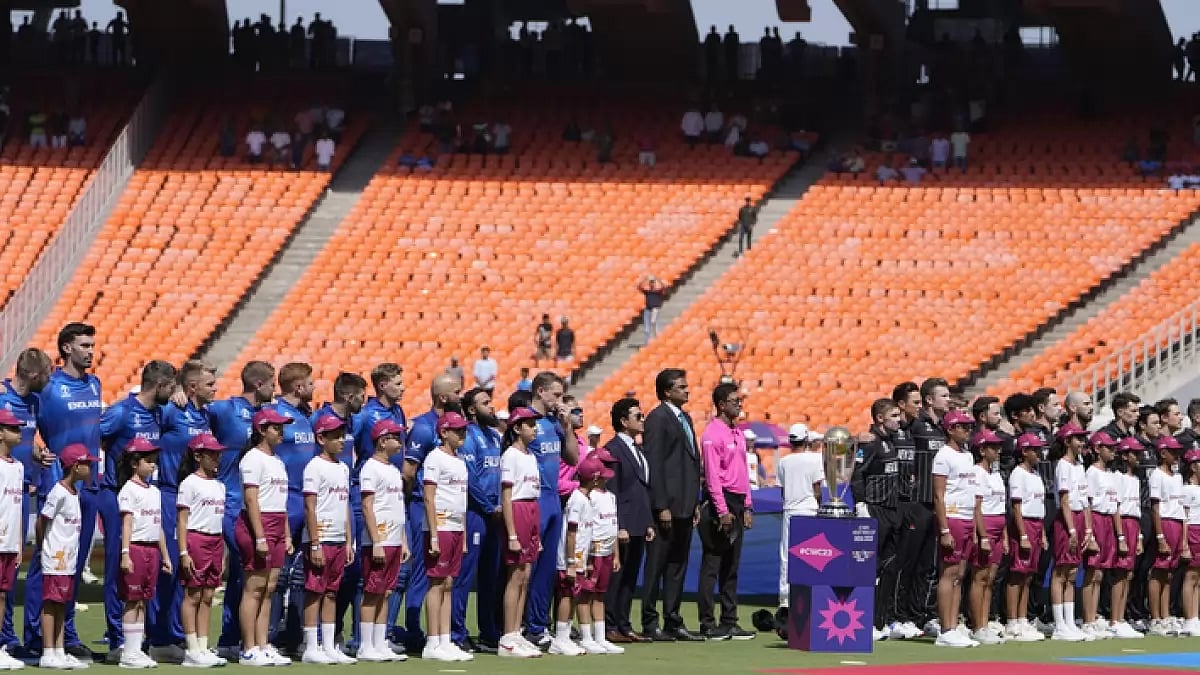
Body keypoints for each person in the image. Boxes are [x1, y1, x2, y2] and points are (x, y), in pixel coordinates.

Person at [31, 323, 102, 661]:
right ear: (66, 349)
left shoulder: (95, 383)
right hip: (59, 486)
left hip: (89, 486)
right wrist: (34, 448)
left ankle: (66, 637)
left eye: (92, 344)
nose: (90, 350)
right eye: (84, 345)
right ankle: (35, 635)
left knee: (71, 565)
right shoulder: (48, 387)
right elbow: (23, 421)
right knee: (44, 564)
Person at [103, 360, 177, 664]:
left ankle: (138, 640)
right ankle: (117, 640)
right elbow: (97, 437)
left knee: (145, 569)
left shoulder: (159, 412)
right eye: (171, 387)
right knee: (117, 569)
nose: (174, 393)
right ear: (158, 386)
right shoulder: (121, 411)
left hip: (148, 496)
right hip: (118, 496)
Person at [209, 361, 275, 660]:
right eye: (271, 383)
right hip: (230, 501)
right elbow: (196, 414)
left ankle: (240, 640)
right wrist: (180, 396)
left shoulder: (266, 416)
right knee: (245, 573)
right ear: (259, 384)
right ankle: (230, 639)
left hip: (254, 502)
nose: (275, 389)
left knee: (249, 574)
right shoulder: (225, 409)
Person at [152, 360, 211, 662]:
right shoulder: (172, 410)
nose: (215, 388)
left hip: (195, 497)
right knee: (170, 565)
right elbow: (144, 407)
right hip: (168, 493)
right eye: (210, 384)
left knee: (189, 569)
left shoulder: (204, 415)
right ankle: (159, 636)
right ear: (192, 387)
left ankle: (177, 635)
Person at [399, 374, 461, 651]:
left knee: (443, 575)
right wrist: (414, 500)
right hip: (422, 505)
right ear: (443, 397)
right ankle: (415, 628)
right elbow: (409, 473)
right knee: (422, 569)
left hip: (448, 512)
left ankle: (437, 634)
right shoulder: (424, 428)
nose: (462, 396)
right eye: (457, 392)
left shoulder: (454, 431)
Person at [641, 369, 703, 642]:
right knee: (656, 565)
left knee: (677, 565)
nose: (687, 390)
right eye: (682, 386)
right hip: (666, 506)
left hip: (686, 504)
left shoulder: (685, 418)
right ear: (667, 391)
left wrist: (695, 501)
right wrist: (661, 505)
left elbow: (690, 462)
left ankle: (673, 620)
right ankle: (649, 621)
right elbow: (654, 464)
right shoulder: (657, 419)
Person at [0, 348, 51, 657]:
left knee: (10, 566)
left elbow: (25, 441)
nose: (49, 381)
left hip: (19, 492)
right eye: (46, 375)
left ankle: (7, 636)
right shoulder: (1, 397)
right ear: (34, 375)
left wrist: (36, 454)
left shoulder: (33, 403)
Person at [523, 373, 579, 646]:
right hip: (533, 499)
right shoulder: (525, 421)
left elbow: (572, 457)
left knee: (547, 569)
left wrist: (567, 427)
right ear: (541, 391)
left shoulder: (555, 423)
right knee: (526, 567)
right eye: (555, 395)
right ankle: (518, 625)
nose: (559, 401)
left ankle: (537, 625)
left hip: (553, 498)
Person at [235, 409, 295, 667]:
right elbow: (251, 500)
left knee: (269, 589)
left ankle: (263, 643)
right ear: (261, 430)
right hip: (257, 526)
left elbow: (280, 501)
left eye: (282, 428)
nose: (280, 432)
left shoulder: (278, 461)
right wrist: (260, 536)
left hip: (276, 525)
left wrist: (286, 533)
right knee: (254, 587)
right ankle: (248, 647)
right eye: (276, 428)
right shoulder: (252, 459)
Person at [697, 382, 754, 640]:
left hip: (738, 500)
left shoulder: (738, 433)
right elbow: (712, 477)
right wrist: (722, 510)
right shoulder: (712, 434)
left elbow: (743, 471)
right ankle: (707, 622)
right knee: (713, 562)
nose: (739, 404)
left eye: (739, 400)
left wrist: (748, 505)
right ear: (721, 404)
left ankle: (729, 620)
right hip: (721, 502)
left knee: (732, 565)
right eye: (734, 400)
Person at [851, 400, 911, 639]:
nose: (899, 419)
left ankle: (880, 621)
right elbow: (857, 474)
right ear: (879, 418)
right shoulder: (871, 443)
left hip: (893, 510)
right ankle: (865, 621)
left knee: (890, 567)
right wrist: (860, 504)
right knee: (872, 568)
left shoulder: (892, 441)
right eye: (894, 415)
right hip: (876, 510)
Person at [300, 416, 357, 665]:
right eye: (335, 436)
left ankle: (329, 645)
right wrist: (315, 543)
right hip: (320, 538)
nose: (341, 440)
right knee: (315, 591)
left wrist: (348, 540)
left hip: (337, 539)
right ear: (321, 438)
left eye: (342, 435)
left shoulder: (343, 468)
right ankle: (312, 646)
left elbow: (344, 504)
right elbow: (310, 507)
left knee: (332, 593)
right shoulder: (314, 467)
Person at [269, 363, 317, 658]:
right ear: (298, 387)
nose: (314, 387)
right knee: (279, 574)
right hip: (284, 499)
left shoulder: (306, 416)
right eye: (310, 383)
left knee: (304, 572)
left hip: (306, 500)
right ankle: (269, 637)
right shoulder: (276, 416)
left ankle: (294, 635)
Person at [38, 445, 97, 670]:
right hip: (56, 558)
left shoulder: (75, 493)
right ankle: (48, 652)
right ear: (75, 466)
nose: (90, 468)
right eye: (87, 464)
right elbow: (43, 520)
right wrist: (46, 548)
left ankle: (60, 650)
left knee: (62, 604)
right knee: (51, 604)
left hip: (69, 560)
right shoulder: (58, 492)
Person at [420, 413, 473, 663]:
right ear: (444, 433)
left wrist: (461, 535)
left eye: (464, 430)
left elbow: (461, 501)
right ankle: (432, 641)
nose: (462, 434)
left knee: (449, 582)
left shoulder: (460, 461)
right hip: (439, 526)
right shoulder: (434, 458)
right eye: (458, 430)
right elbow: (429, 497)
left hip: (455, 526)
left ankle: (444, 639)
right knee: (437, 582)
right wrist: (432, 533)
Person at [453, 389, 502, 654]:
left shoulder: (495, 436)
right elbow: (470, 478)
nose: (491, 407)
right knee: (464, 576)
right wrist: (488, 507)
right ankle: (456, 633)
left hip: (495, 515)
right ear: (472, 410)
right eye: (485, 403)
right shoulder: (469, 436)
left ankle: (488, 632)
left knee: (490, 577)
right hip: (475, 514)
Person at [115, 437, 170, 669]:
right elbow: (127, 524)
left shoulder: (155, 492)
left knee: (143, 601)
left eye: (154, 460)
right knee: (132, 600)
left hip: (151, 550)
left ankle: (137, 649)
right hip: (136, 548)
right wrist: (125, 553)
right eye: (148, 460)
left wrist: (165, 555)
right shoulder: (128, 490)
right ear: (135, 463)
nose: (153, 465)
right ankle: (128, 652)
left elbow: (158, 527)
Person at [603, 398, 654, 644]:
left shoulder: (638, 450)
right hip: (623, 524)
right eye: (638, 416)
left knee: (631, 576)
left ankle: (623, 623)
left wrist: (648, 522)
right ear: (624, 421)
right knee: (617, 576)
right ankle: (609, 623)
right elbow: (612, 490)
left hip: (639, 523)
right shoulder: (613, 449)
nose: (642, 420)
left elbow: (642, 489)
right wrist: (619, 525)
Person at [357, 420, 409, 662]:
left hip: (394, 540)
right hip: (377, 540)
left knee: (386, 592)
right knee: (372, 591)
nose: (399, 442)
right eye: (395, 438)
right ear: (382, 441)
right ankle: (366, 645)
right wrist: (376, 541)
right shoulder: (370, 468)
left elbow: (398, 507)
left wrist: (404, 541)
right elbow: (367, 506)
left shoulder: (393, 470)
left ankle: (380, 642)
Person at [176, 434, 230, 667]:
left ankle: (203, 645)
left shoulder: (220, 485)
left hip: (215, 541)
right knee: (193, 594)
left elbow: (219, 519)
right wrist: (183, 552)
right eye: (212, 454)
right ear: (198, 456)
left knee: (208, 595)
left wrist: (224, 551)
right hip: (196, 540)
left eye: (218, 453)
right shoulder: (189, 483)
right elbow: (182, 521)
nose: (217, 458)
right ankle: (192, 648)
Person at [498, 407, 544, 658]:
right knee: (515, 575)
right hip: (518, 510)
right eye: (530, 425)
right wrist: (513, 534)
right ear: (517, 428)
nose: (535, 429)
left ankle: (517, 632)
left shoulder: (530, 456)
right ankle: (507, 636)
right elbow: (506, 497)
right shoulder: (510, 456)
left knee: (526, 575)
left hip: (532, 509)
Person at [931, 409, 978, 648]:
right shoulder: (943, 455)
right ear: (950, 429)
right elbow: (939, 495)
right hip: (953, 517)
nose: (968, 430)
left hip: (968, 517)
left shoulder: (967, 455)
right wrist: (944, 529)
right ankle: (945, 628)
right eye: (963, 426)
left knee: (960, 574)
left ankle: (953, 624)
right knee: (949, 573)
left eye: (970, 427)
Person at [1051, 423, 1094, 642]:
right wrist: (1071, 530)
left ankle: (1069, 621)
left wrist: (1087, 528)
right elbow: (1065, 500)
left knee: (1072, 572)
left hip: (1078, 518)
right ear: (1067, 441)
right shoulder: (1063, 466)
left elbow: (1085, 499)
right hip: (1065, 520)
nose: (1082, 442)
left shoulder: (1079, 465)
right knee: (1061, 571)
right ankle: (1059, 624)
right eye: (1077, 438)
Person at [1005, 434, 1049, 642]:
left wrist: (1042, 533)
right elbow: (1016, 507)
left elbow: (1039, 505)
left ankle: (1023, 619)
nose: (1039, 453)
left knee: (1029, 575)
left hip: (1037, 525)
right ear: (1024, 451)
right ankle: (1012, 620)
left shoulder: (1036, 474)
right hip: (1024, 525)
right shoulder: (1018, 474)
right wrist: (1023, 534)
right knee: (1017, 574)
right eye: (1035, 450)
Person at [578, 455, 623, 654]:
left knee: (600, 594)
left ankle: (600, 637)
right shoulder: (590, 498)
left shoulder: (611, 496)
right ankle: (586, 637)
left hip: (606, 551)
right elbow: (587, 528)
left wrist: (616, 555)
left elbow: (613, 526)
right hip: (593, 552)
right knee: (586, 593)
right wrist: (587, 557)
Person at [777, 424, 824, 613]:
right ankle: (811, 596)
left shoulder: (783, 462)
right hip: (810, 509)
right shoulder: (815, 459)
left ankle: (785, 599)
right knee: (812, 554)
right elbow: (817, 489)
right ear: (806, 440)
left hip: (790, 509)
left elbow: (782, 490)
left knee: (787, 556)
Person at [967, 429, 1007, 645]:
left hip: (998, 526)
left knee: (990, 578)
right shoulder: (977, 473)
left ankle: (985, 622)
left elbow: (1001, 506)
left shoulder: (995, 474)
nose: (998, 451)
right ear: (982, 450)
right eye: (993, 447)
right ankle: (977, 625)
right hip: (987, 526)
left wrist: (1006, 535)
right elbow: (977, 508)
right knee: (980, 576)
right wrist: (982, 535)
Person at [1148, 436, 1190, 636]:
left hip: (1176, 523)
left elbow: (1181, 507)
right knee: (1158, 571)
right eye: (1173, 452)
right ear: (1162, 453)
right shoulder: (1156, 475)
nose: (1177, 455)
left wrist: (1183, 537)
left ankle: (1165, 616)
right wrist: (1159, 536)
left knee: (1170, 572)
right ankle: (1155, 618)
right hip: (1164, 523)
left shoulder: (1178, 476)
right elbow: (1155, 508)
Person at [1082, 432, 1120, 638]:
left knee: (1101, 573)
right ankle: (1087, 620)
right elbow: (1088, 502)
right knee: (1092, 572)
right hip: (1096, 519)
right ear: (1097, 449)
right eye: (1109, 447)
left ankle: (1094, 616)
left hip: (1107, 520)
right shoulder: (1092, 473)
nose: (1113, 451)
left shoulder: (1110, 474)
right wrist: (1090, 532)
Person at [551, 466, 590, 656]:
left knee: (573, 596)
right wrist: (571, 561)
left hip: (579, 558)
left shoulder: (585, 499)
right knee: (566, 595)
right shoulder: (577, 500)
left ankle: (565, 636)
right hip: (570, 559)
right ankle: (559, 638)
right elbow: (572, 532)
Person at [1110, 437, 1145, 639]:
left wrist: (1138, 535)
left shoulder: (1136, 479)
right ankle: (1115, 620)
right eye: (1135, 453)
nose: (1138, 457)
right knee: (1120, 573)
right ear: (1125, 456)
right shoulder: (1118, 477)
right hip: (1122, 523)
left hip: (1133, 524)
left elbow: (1137, 509)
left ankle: (1121, 618)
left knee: (1129, 574)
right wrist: (1121, 536)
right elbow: (1116, 508)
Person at [0, 411, 24, 670]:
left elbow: (16, 508)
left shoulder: (18, 466)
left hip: (8, 543)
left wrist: (17, 542)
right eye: (13, 429)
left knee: (3, 596)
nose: (19, 432)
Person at [1180, 449, 1200, 636]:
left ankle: (1196, 617)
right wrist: (1184, 542)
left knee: (1199, 578)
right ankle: (1189, 619)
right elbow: (1184, 517)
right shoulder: (1187, 489)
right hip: (1193, 531)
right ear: (1193, 467)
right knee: (1191, 576)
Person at [639, 277, 664, 344]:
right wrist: (645, 279)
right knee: (647, 328)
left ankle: (657, 342)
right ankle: (646, 343)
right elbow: (639, 287)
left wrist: (658, 279)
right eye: (651, 283)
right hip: (647, 310)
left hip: (655, 309)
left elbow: (663, 287)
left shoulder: (657, 292)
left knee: (655, 325)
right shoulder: (647, 292)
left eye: (653, 282)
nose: (652, 284)